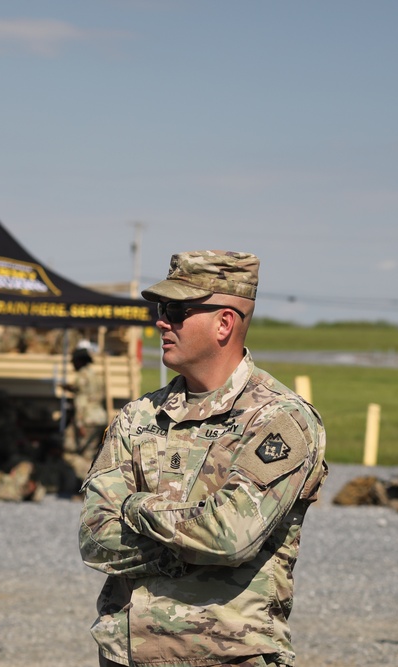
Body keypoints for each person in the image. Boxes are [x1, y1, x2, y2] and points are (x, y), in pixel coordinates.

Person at [78, 250, 328, 667]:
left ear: (224, 323)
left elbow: (230, 537)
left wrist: (136, 507)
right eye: (161, 309)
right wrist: (187, 547)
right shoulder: (139, 416)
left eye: (176, 311)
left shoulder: (279, 420)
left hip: (228, 656)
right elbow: (94, 539)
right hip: (125, 656)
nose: (161, 322)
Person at [61, 346, 108, 489]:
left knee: (73, 453)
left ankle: (88, 486)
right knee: (91, 453)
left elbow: (80, 401)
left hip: (86, 420)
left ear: (80, 361)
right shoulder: (95, 376)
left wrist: (79, 424)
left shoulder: (81, 376)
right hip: (99, 418)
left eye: (74, 362)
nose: (73, 365)